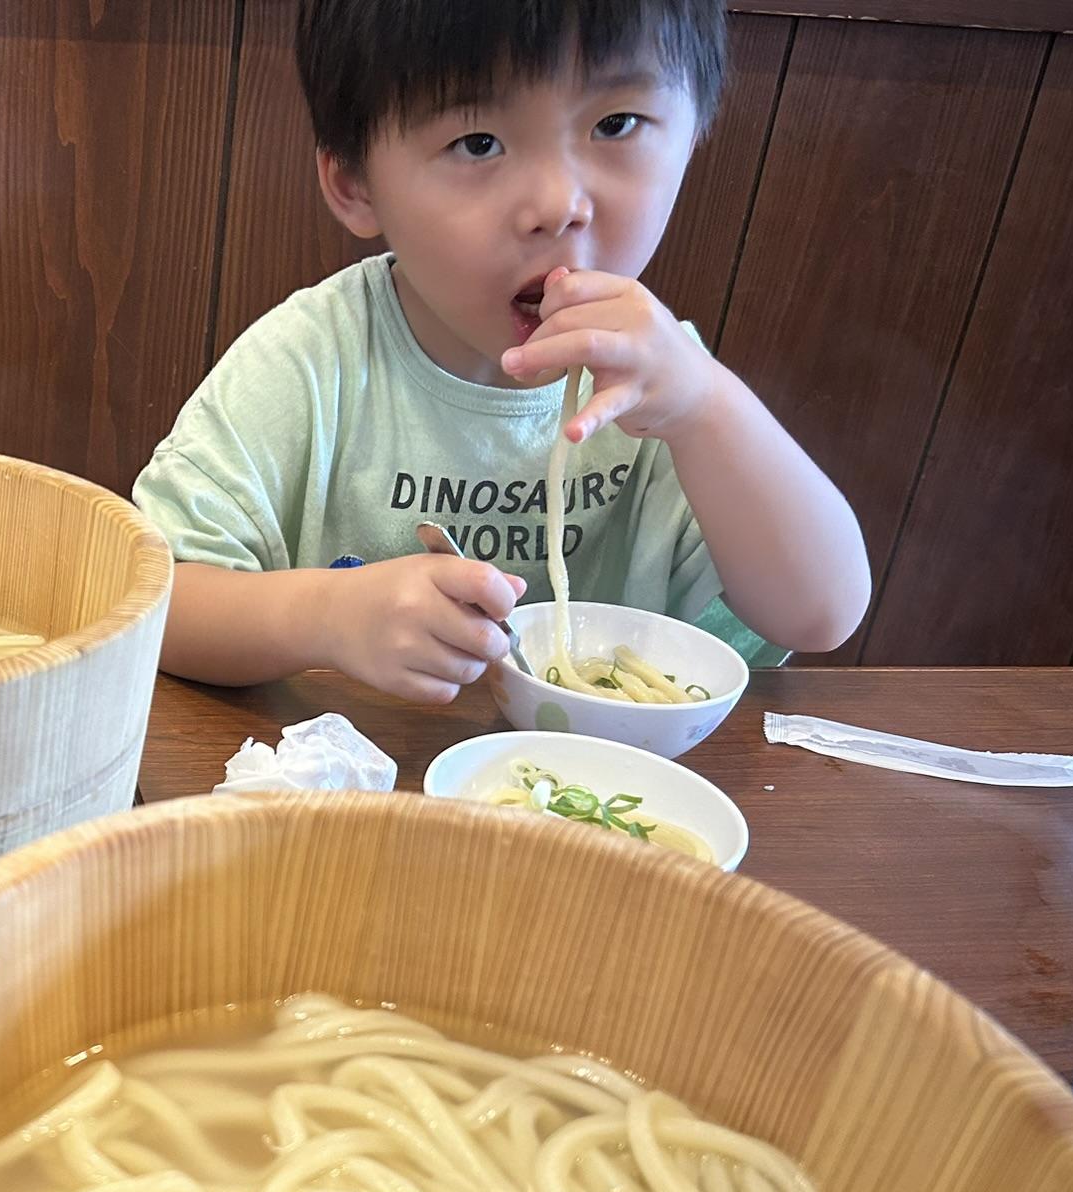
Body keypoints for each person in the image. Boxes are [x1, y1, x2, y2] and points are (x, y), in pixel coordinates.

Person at [133, 0, 870, 705]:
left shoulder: (669, 387)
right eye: (478, 143)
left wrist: (706, 404)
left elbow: (820, 615)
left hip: (598, 783)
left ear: (695, 132)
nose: (559, 205)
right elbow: (148, 597)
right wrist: (326, 615)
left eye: (615, 124)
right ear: (355, 183)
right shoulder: (311, 362)